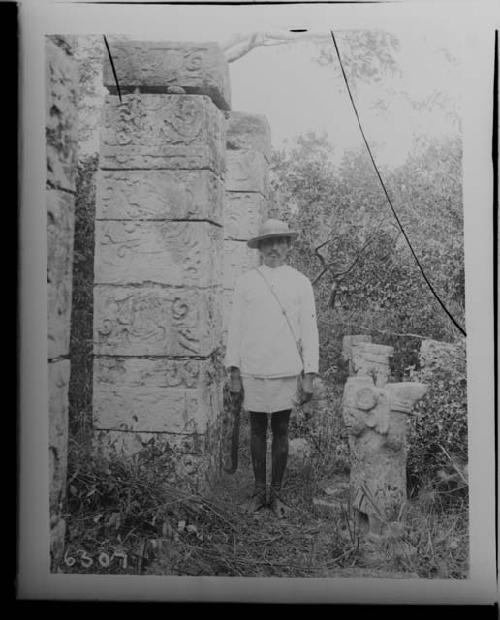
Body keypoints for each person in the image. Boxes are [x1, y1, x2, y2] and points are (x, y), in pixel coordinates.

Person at [224, 218, 319, 518]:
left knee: (280, 430)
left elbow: (310, 329)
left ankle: (275, 495)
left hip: (286, 369)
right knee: (255, 429)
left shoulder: (301, 282)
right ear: (260, 248)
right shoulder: (246, 282)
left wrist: (310, 374)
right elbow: (236, 327)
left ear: (289, 246)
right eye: (268, 242)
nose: (274, 247)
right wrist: (234, 370)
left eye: (280, 241)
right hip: (253, 368)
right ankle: (257, 492)